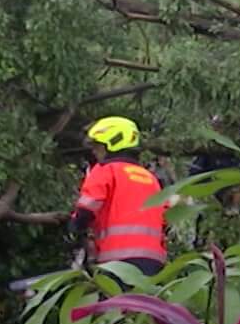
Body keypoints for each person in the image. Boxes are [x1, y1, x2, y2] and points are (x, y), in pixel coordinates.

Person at [70, 115, 169, 277]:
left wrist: (74, 227)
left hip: (116, 262)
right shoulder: (150, 178)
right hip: (153, 262)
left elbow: (87, 208)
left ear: (112, 144)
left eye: (97, 146)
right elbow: (165, 217)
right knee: (144, 303)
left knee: (114, 303)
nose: (94, 152)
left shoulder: (105, 170)